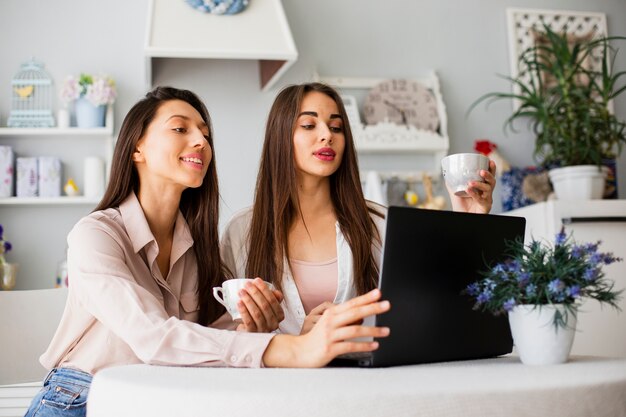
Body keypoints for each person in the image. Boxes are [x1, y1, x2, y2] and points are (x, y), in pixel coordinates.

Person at [24, 87, 390, 417]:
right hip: (81, 398)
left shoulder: (198, 249)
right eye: (181, 128)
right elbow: (155, 337)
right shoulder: (96, 235)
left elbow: (201, 341)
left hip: (159, 400)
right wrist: (293, 349)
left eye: (205, 133)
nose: (200, 140)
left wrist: (266, 329)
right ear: (137, 148)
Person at [222, 82, 496, 335]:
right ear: (280, 136)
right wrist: (298, 342)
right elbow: (225, 336)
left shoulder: (380, 224)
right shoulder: (241, 232)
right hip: (279, 387)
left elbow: (441, 304)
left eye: (336, 127)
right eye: (308, 125)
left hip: (367, 383)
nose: (326, 135)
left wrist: (469, 218)